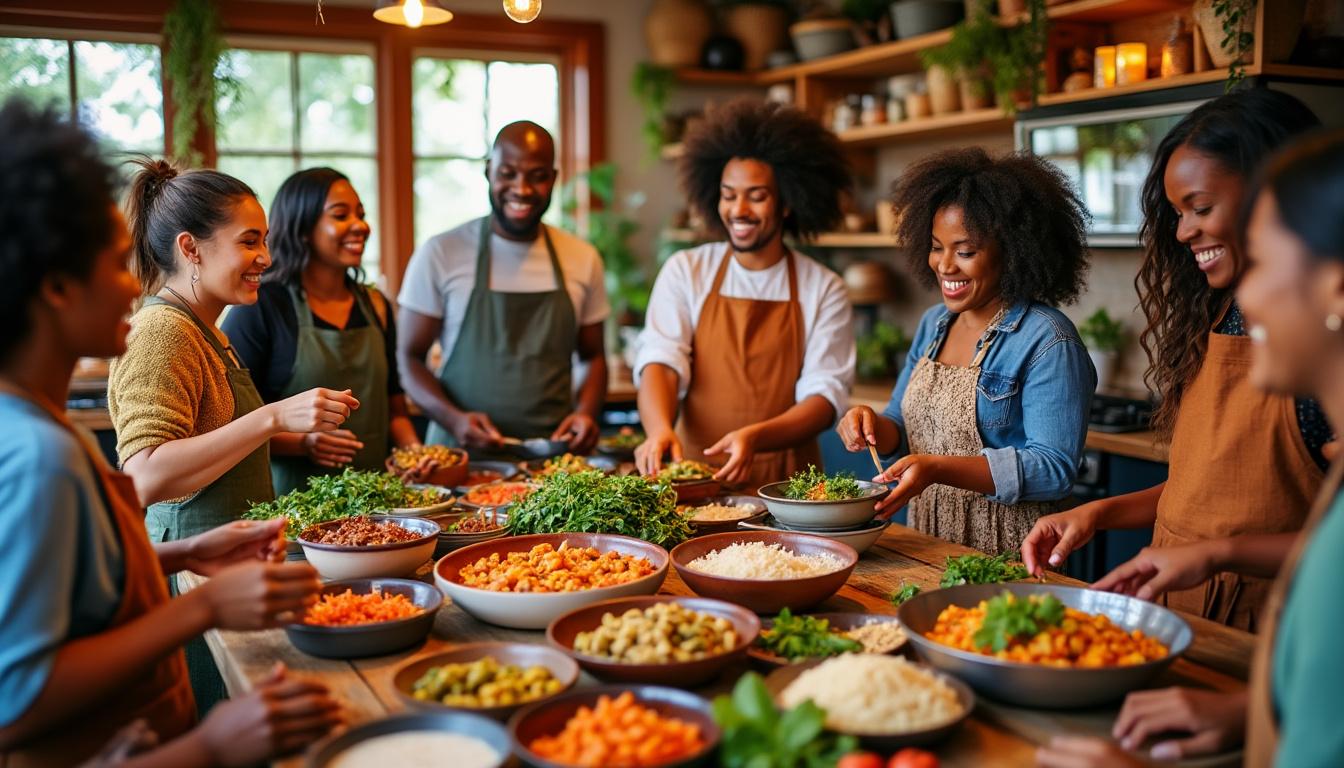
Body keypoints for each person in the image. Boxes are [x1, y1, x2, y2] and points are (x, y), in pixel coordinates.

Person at [0, 98, 339, 767]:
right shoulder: (43, 451)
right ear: (58, 287)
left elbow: (77, 584)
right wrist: (201, 614)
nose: (132, 284)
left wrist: (186, 554)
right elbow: (15, 699)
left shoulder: (42, 430)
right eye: (113, 262)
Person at [1038, 131, 1344, 768]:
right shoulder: (1217, 320)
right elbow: (1203, 482)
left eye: (1266, 260)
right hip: (1197, 637)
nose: (1249, 297)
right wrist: (1104, 513)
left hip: (1246, 634)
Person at [1020, 89, 1329, 631]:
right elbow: (1207, 494)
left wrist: (1216, 555)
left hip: (1268, 629)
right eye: (1178, 213)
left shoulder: (1318, 343)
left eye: (1201, 208)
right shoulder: (1216, 318)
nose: (1184, 231)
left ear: (1276, 194)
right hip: (1176, 615)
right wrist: (1098, 513)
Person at [108, 158, 359, 711]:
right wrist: (273, 418)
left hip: (226, 576)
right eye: (249, 242)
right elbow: (144, 475)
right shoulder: (162, 331)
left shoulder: (208, 331)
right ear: (191, 249)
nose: (265, 258)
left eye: (264, 241)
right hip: (188, 587)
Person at [835, 148, 1095, 554]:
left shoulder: (1048, 339)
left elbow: (1053, 469)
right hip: (929, 537)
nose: (945, 265)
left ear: (1012, 250)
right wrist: (869, 424)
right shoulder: (934, 324)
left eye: (965, 251)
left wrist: (938, 468)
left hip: (1011, 547)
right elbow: (899, 428)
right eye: (936, 247)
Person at [634, 99, 855, 487]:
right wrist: (658, 429)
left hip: (788, 487)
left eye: (756, 196)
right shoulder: (687, 270)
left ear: (786, 203)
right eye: (728, 194)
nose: (739, 210)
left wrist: (755, 437)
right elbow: (661, 360)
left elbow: (824, 398)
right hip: (695, 479)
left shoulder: (822, 287)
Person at [398, 121, 609, 454]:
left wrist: (585, 413)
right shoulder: (441, 253)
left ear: (554, 178)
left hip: (552, 460)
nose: (522, 189)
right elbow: (408, 357)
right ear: (488, 172)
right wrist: (454, 420)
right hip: (460, 459)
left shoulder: (582, 258)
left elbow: (593, 356)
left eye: (537, 176)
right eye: (508, 174)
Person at [222, 168, 421, 495]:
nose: (360, 226)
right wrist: (303, 443)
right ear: (302, 228)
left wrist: (414, 452)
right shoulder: (261, 307)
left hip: (381, 505)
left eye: (361, 215)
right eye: (341, 215)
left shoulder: (376, 305)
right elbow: (232, 427)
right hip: (293, 508)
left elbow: (395, 410)